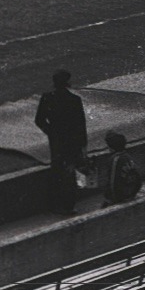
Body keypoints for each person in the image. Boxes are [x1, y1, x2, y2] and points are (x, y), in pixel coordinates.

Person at [35, 70, 89, 214]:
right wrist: (83, 146)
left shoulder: (47, 98)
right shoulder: (75, 100)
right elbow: (81, 125)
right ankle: (68, 205)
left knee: (57, 171)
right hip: (72, 142)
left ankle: (55, 204)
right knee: (70, 174)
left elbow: (39, 120)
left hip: (57, 142)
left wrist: (51, 132)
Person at [101, 132, 143, 206]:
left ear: (111, 148)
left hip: (120, 197)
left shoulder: (114, 160)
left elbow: (112, 182)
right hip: (131, 194)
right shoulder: (128, 157)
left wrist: (110, 199)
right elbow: (138, 178)